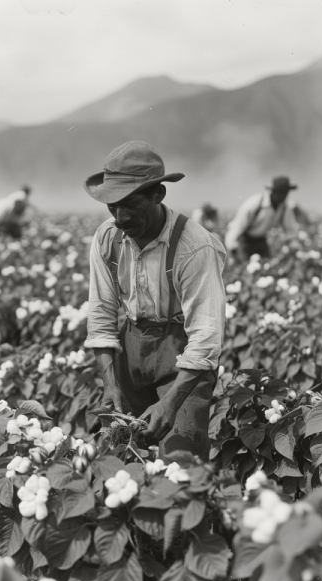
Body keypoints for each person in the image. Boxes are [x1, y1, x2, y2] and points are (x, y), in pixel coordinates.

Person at [83, 141, 226, 461]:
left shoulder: (195, 246)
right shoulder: (108, 237)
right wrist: (109, 384)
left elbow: (206, 336)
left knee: (179, 455)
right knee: (120, 452)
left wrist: (171, 403)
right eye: (112, 206)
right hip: (131, 346)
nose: (119, 217)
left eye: (130, 204)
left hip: (181, 354)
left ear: (157, 195)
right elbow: (102, 311)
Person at [224, 176, 299, 261]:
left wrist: (293, 244)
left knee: (268, 265)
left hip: (262, 240)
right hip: (245, 239)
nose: (285, 196)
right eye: (282, 193)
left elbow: (290, 228)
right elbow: (238, 226)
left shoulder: (284, 207)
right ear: (274, 192)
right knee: (242, 266)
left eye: (286, 193)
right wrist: (232, 247)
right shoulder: (254, 203)